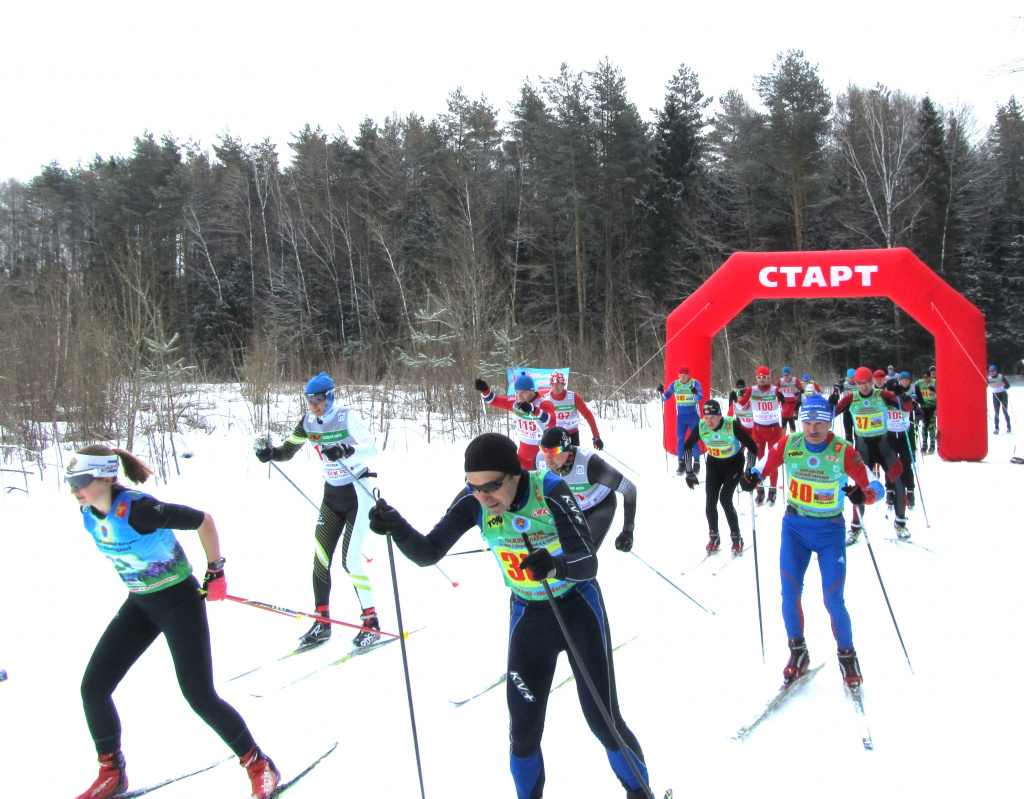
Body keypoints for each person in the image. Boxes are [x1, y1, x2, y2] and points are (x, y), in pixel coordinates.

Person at [368, 433, 651, 799]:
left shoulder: (549, 490)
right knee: (523, 732)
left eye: (492, 487)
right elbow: (429, 552)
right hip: (529, 617)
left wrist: (554, 566)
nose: (484, 498)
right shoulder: (473, 503)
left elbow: (587, 562)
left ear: (515, 474)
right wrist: (398, 528)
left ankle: (641, 793)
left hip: (577, 607)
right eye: (474, 488)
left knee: (603, 720)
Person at [67, 446, 279, 799]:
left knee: (198, 694)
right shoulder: (89, 511)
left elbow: (202, 520)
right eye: (71, 481)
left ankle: (259, 764)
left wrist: (216, 571)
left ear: (106, 478)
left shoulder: (140, 509)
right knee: (93, 687)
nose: (75, 489)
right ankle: (112, 773)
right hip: (140, 603)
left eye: (81, 481)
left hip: (179, 602)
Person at [740, 395, 885, 688]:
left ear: (829, 423)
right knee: (789, 593)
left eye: (820, 423)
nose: (813, 429)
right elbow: (763, 465)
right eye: (808, 422)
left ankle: (847, 656)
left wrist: (864, 496)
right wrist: (752, 476)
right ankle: (798, 651)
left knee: (833, 599)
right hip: (795, 528)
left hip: (830, 532)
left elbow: (877, 486)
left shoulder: (843, 450)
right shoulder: (790, 444)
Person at [255, 372, 381, 648]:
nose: (313, 405)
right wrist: (270, 454)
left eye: (318, 400)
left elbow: (372, 448)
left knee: (351, 561)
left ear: (330, 397)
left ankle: (371, 622)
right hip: (332, 495)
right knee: (321, 558)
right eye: (309, 400)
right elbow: (288, 451)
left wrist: (346, 451)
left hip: (358, 492)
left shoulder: (347, 417)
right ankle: (322, 622)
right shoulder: (308, 421)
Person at [830, 367, 909, 540]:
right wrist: (831, 402)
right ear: (856, 384)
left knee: (899, 484)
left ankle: (901, 523)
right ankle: (856, 527)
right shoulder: (851, 398)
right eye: (860, 384)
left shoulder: (882, 395)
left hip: (884, 447)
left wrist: (902, 396)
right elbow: (831, 414)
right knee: (858, 489)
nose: (864, 387)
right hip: (863, 450)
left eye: (867, 383)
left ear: (872, 382)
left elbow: (908, 407)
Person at [536, 426, 635, 552]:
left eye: (554, 451)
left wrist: (628, 531)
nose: (548, 457)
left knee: (583, 554)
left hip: (598, 507)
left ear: (566, 448)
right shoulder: (540, 461)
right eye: (543, 450)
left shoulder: (590, 464)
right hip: (571, 509)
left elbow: (629, 489)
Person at [682, 399, 758, 554]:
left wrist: (748, 470)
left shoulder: (730, 425)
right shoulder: (701, 426)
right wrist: (689, 472)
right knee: (710, 501)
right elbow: (687, 446)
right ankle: (714, 535)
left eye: (713, 418)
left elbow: (752, 446)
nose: (709, 422)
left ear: (720, 416)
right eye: (706, 417)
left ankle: (736, 536)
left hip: (734, 464)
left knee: (725, 499)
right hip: (714, 465)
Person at [476, 372, 556, 470]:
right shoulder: (516, 403)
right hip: (523, 457)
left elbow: (551, 422)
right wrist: (484, 389)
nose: (519, 396)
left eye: (523, 392)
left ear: (532, 390)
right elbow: (493, 400)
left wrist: (533, 409)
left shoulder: (543, 404)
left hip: (542, 456)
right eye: (517, 392)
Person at [736, 366, 784, 505]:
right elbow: (742, 404)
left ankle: (773, 490)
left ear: (769, 377)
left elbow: (786, 403)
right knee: (757, 462)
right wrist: (735, 401)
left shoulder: (775, 390)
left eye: (764, 377)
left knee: (773, 461)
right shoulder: (752, 390)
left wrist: (784, 399)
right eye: (759, 377)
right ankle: (759, 488)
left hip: (774, 430)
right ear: (756, 378)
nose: (761, 380)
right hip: (758, 431)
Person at [659, 365, 703, 475]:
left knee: (695, 440)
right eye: (681, 375)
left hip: (693, 416)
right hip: (681, 418)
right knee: (680, 440)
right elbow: (665, 398)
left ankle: (696, 463)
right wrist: (661, 392)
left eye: (685, 375)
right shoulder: (675, 384)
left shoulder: (694, 383)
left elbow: (700, 397)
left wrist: (695, 392)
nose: (683, 378)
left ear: (689, 375)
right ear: (678, 375)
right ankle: (681, 463)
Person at [546, 370, 604, 449]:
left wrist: (596, 436)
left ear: (563, 384)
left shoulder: (573, 397)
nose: (555, 388)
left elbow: (588, 415)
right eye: (552, 385)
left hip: (572, 435)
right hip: (554, 435)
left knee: (573, 460)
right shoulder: (546, 398)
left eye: (558, 384)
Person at [915, 368, 938, 453]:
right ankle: (924, 445)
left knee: (931, 427)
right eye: (925, 378)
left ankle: (932, 445)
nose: (926, 379)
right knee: (924, 427)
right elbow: (914, 387)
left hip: (932, 407)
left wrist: (935, 391)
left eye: (928, 378)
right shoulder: (920, 382)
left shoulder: (934, 382)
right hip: (924, 407)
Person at [775, 366, 804, 432]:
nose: (786, 377)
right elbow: (774, 390)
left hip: (793, 403)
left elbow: (802, 390)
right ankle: (783, 438)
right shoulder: (780, 381)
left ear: (790, 374)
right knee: (784, 420)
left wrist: (798, 393)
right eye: (784, 375)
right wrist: (779, 393)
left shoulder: (795, 380)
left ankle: (793, 437)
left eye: (787, 375)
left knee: (791, 420)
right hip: (784, 403)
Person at [988, 364, 1012, 434]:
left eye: (993, 371)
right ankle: (996, 428)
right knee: (996, 412)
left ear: (996, 371)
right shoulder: (989, 379)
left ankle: (1008, 427)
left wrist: (1004, 387)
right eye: (990, 371)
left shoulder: (1001, 377)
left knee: (1004, 410)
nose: (992, 372)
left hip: (1003, 394)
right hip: (995, 395)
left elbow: (1008, 385)